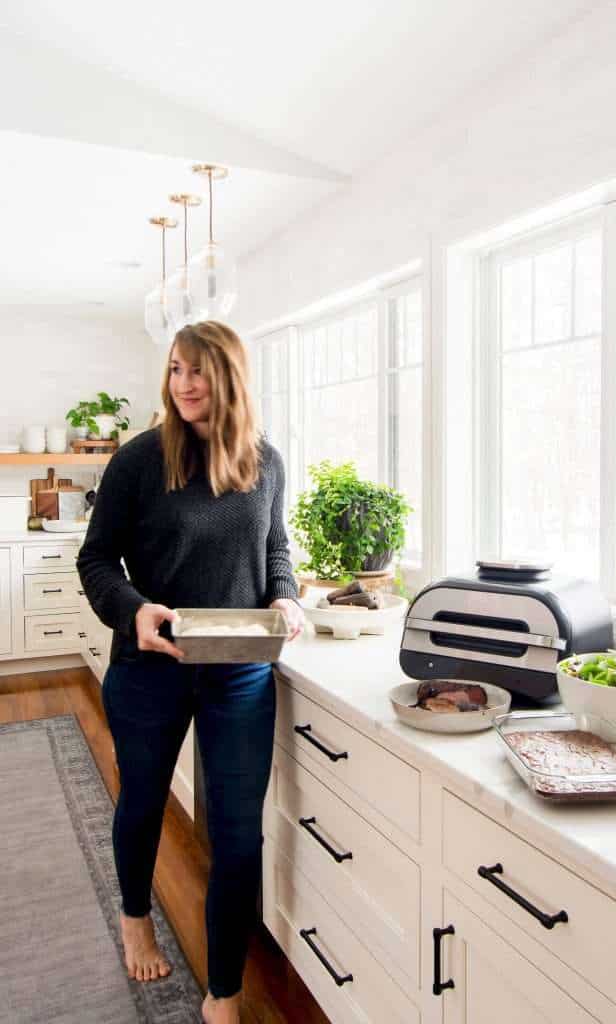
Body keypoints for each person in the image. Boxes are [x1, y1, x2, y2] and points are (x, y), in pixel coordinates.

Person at [77, 320, 305, 1024]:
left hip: (239, 670)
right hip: (151, 664)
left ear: (229, 376)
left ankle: (224, 990)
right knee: (143, 802)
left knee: (239, 833)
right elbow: (95, 559)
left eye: (198, 371)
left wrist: (287, 596)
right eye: (175, 369)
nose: (184, 384)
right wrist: (134, 611)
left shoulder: (264, 461)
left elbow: (276, 551)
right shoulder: (139, 460)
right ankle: (135, 916)